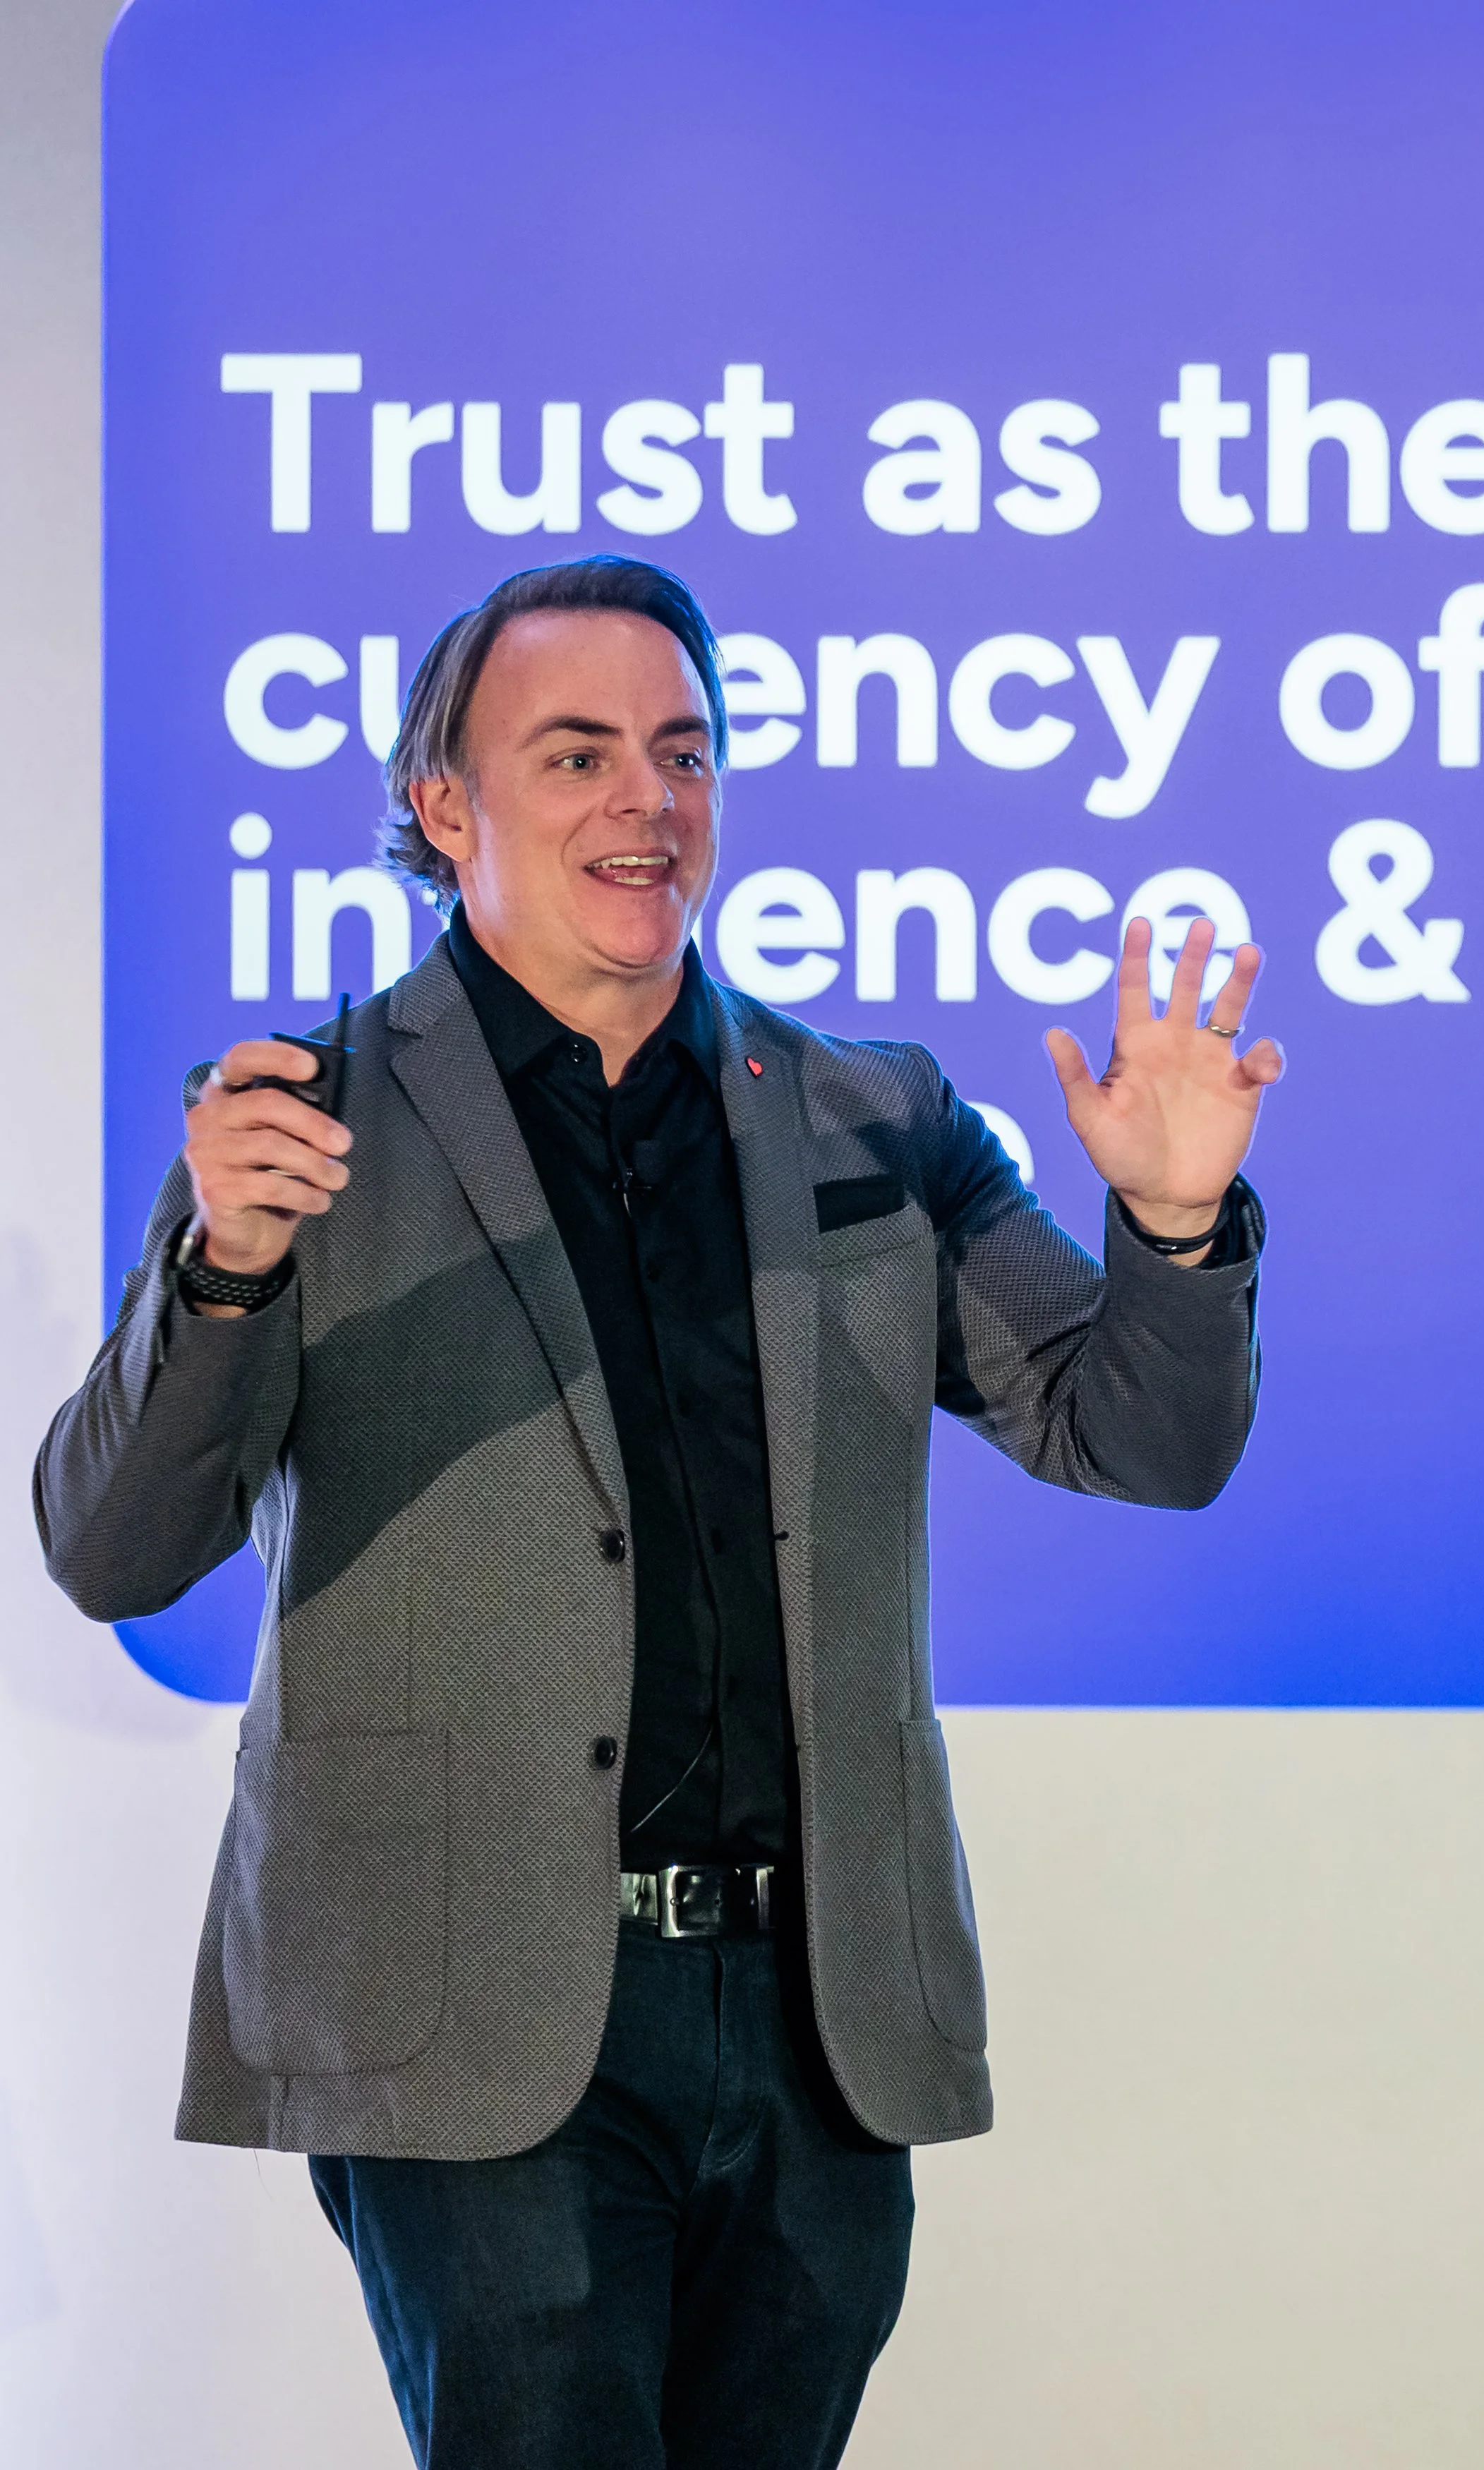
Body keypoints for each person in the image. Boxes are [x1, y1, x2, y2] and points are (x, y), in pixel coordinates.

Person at [35, 555, 1280, 2470]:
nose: (649, 798)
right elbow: (116, 1546)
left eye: (684, 750)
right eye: (580, 751)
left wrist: (1174, 1223)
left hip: (812, 2012)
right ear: (444, 807)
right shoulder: (296, 1117)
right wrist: (223, 1277)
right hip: (478, 2014)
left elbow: (1141, 1436)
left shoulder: (879, 1118)